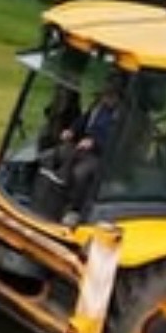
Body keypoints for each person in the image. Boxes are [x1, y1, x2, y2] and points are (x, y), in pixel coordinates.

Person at [43, 72, 124, 221]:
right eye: (104, 94)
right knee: (53, 154)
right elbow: (83, 120)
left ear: (118, 97)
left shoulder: (123, 117)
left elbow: (118, 142)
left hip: (103, 156)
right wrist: (72, 131)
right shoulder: (98, 107)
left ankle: (74, 210)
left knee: (80, 173)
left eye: (109, 95)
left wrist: (95, 142)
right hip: (83, 147)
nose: (105, 98)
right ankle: (49, 193)